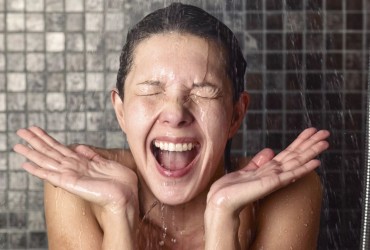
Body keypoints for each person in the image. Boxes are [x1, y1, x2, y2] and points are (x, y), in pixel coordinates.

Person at [13, 3, 329, 250]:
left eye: (204, 92)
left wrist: (222, 219)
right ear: (120, 111)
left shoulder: (284, 192)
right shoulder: (76, 184)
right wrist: (117, 213)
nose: (176, 113)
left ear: (235, 115)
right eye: (152, 91)